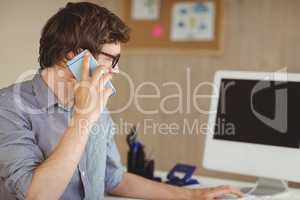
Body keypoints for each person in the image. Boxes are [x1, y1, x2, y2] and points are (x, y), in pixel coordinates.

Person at [0, 2, 243, 200]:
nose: (115, 71)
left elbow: (112, 178)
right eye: (111, 59)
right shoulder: (9, 107)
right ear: (72, 56)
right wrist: (83, 118)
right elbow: (37, 195)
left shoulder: (95, 99)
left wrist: (191, 196)